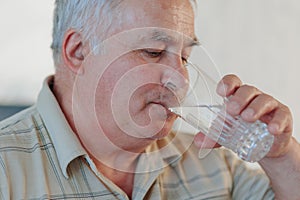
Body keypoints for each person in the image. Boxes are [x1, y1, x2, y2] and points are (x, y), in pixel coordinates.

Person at [0, 0, 299, 199]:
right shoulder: (5, 170)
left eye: (185, 57)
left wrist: (281, 155)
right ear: (79, 51)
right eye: (154, 52)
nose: (180, 78)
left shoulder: (217, 168)